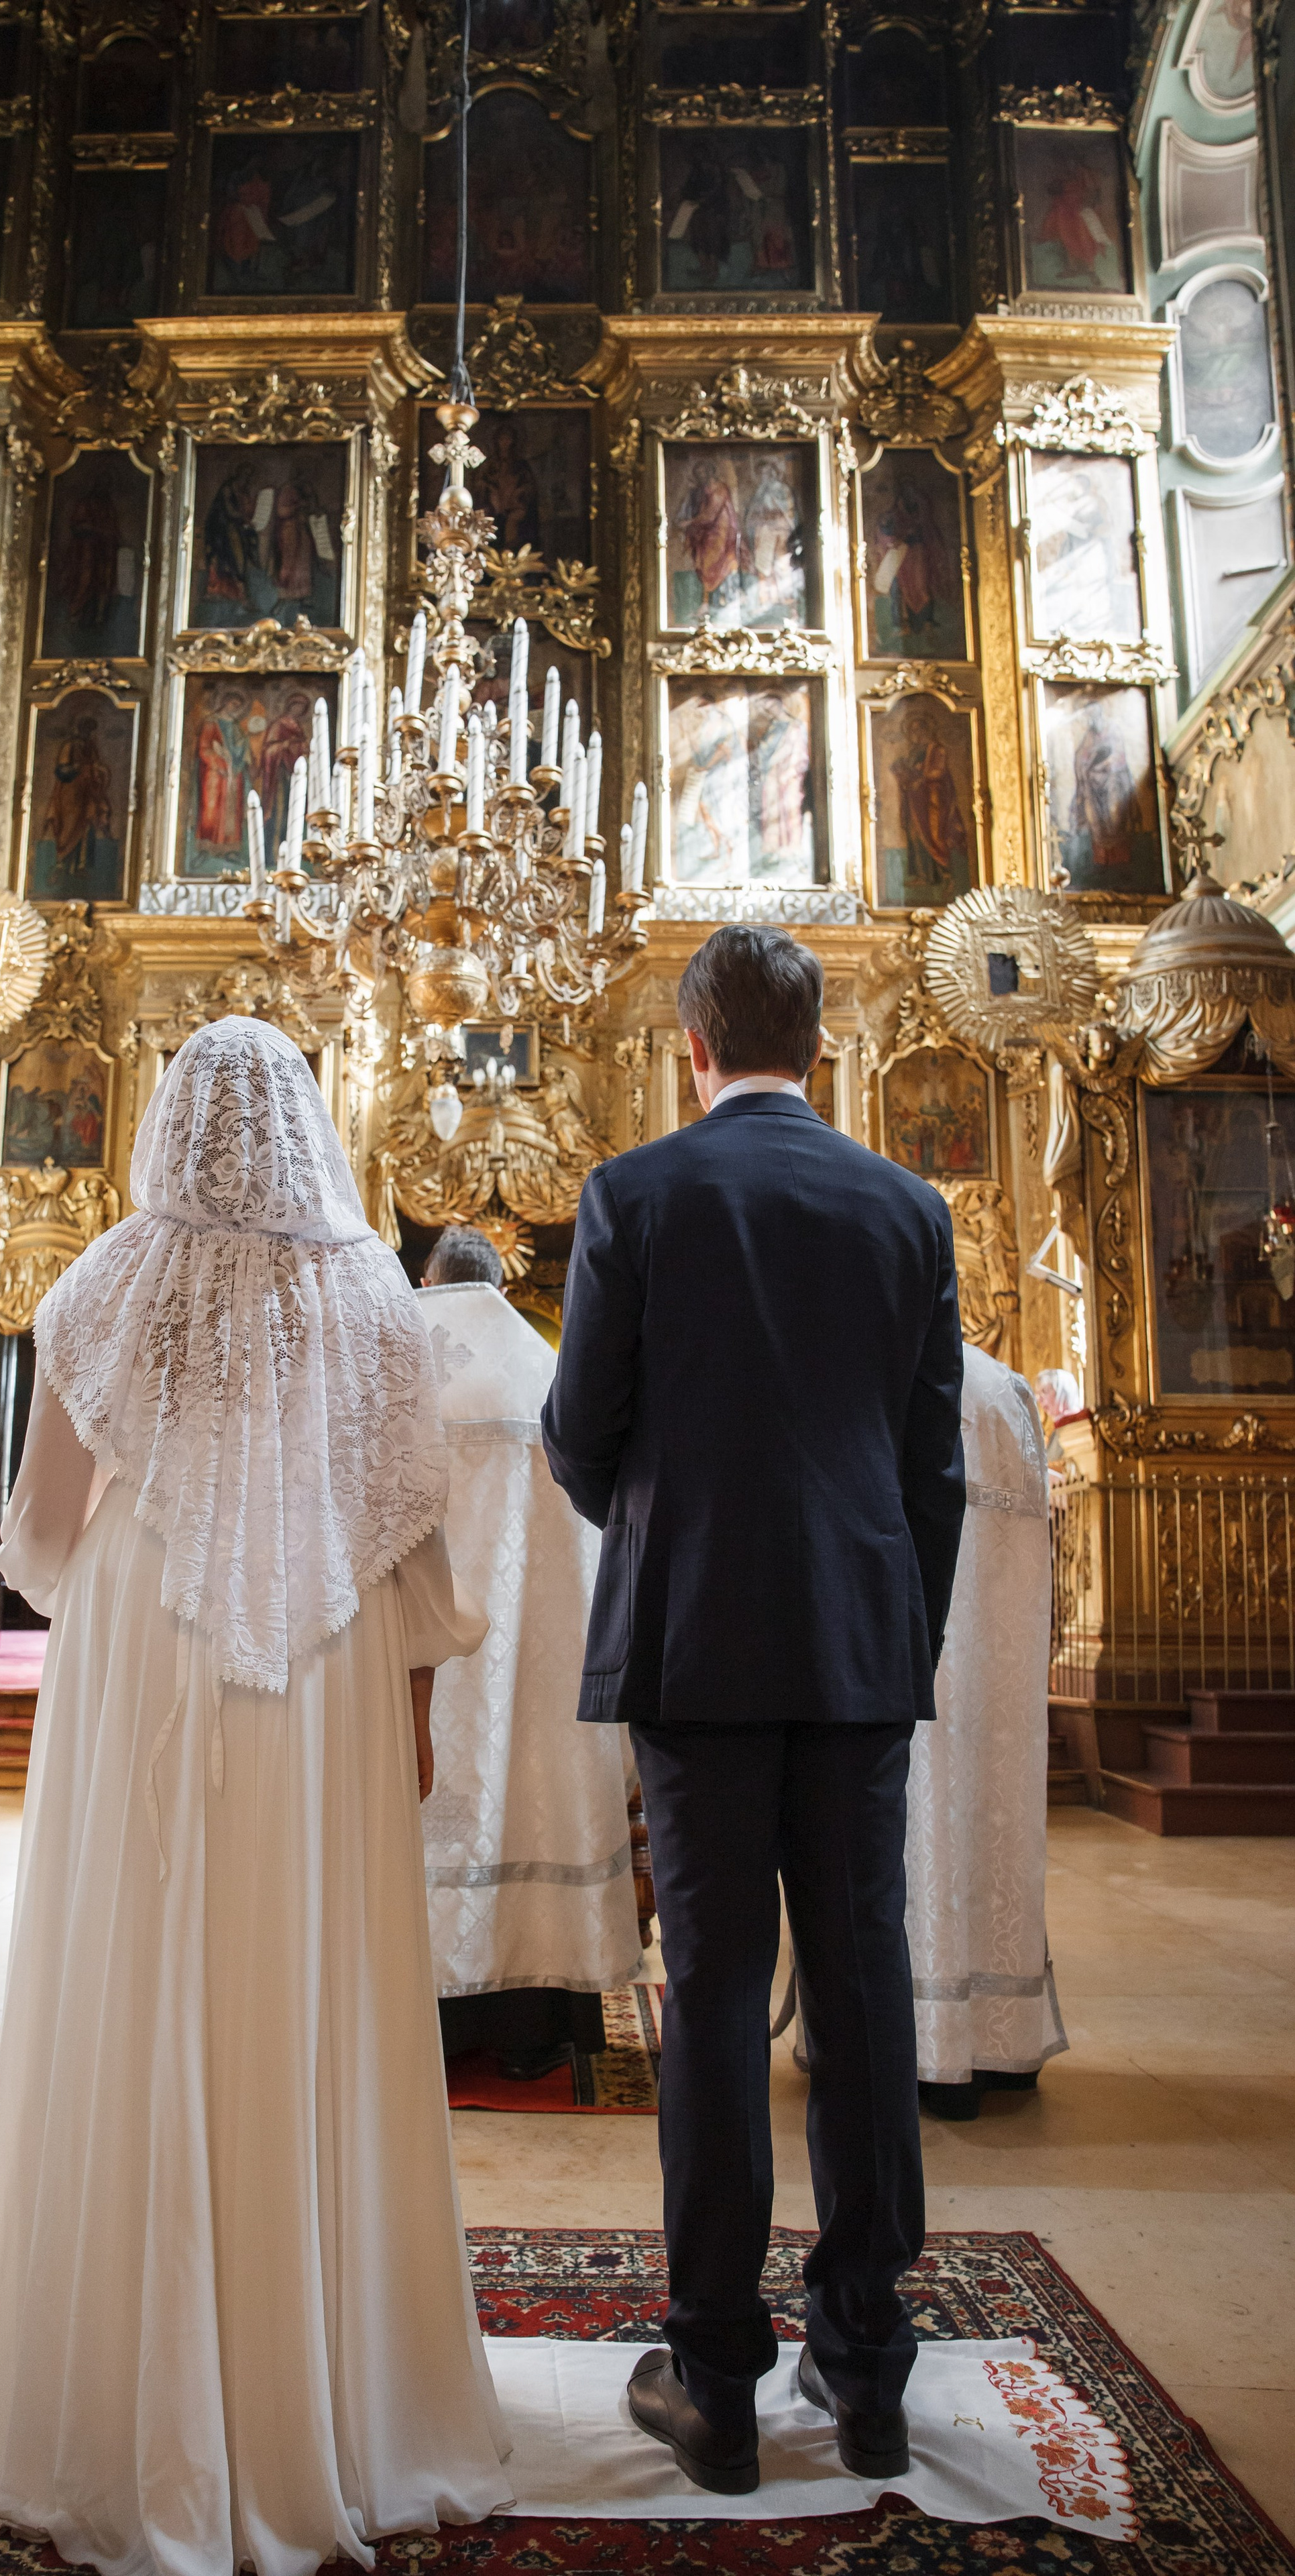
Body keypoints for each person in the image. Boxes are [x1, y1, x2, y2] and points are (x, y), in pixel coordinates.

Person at [0, 1018, 512, 2576]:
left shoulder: (97, 1281)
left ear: (173, 1125)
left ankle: (117, 2396)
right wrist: (416, 1693)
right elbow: (410, 1540)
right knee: (302, 1985)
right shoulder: (375, 1293)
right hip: (320, 1656)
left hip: (143, 1639)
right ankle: (323, 2392)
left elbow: (43, 1529)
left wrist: (151, 1540)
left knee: (138, 1970)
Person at [542, 922, 966, 2498]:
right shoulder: (903, 1206)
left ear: (690, 1047)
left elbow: (579, 1431)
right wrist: (877, 1615)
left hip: (695, 1642)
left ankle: (714, 2374)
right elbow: (930, 1469)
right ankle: (862, 2366)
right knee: (860, 1990)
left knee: (711, 1996)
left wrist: (667, 1526)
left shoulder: (633, 1195)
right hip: (856, 1648)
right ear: (822, 1040)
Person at [417, 1223, 642, 2081]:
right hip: (541, 1659)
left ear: (430, 1278)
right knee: (533, 1793)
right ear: (501, 1284)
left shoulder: (401, 1365)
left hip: (423, 1659)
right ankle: (534, 2025)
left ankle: (425, 2023)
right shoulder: (545, 1369)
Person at [905, 1344, 1068, 2121]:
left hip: (907, 1650)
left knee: (909, 1836)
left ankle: (923, 2047)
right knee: (993, 1822)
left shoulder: (881, 1364)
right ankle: (1001, 2042)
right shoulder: (1005, 1389)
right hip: (996, 1674)